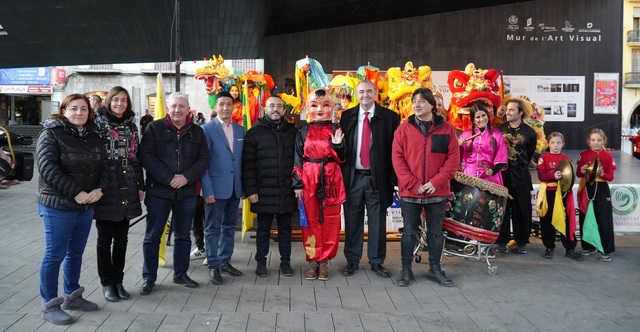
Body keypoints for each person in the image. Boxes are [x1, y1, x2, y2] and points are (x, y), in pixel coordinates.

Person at [36, 94, 109, 325]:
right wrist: (76, 193)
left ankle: (73, 296)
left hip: (86, 205)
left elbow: (105, 166)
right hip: (59, 205)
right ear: (64, 110)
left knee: (75, 253)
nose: (79, 113)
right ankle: (50, 305)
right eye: (74, 108)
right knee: (54, 254)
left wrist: (100, 189)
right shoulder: (51, 134)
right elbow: (48, 168)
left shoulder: (94, 136)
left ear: (90, 112)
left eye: (84, 109)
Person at [138, 92, 210, 295]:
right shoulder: (154, 128)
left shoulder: (197, 132)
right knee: (152, 236)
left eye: (181, 106)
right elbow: (146, 156)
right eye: (173, 106)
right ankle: (149, 277)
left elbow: (204, 159)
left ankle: (180, 274)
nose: (177, 110)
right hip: (159, 191)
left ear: (189, 109)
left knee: (183, 236)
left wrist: (186, 177)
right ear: (168, 108)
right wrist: (170, 178)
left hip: (186, 193)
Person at [392, 88, 459, 287]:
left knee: (435, 232)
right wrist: (414, 184)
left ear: (432, 105)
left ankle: (435, 269)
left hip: (436, 191)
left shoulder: (447, 129)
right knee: (409, 232)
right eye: (414, 101)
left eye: (421, 101)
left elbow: (453, 159)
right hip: (410, 191)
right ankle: (406, 270)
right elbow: (397, 159)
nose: (416, 104)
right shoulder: (403, 129)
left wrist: (435, 182)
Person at [340, 80, 400, 278]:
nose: (364, 95)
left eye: (368, 91)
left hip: (378, 179)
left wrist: (393, 179)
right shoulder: (347, 116)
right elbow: (342, 148)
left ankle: (376, 262)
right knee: (352, 221)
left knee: (377, 222)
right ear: (356, 94)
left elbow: (395, 151)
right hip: (353, 178)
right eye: (361, 92)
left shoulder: (390, 118)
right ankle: (352, 260)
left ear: (375, 93)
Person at [93, 86, 145, 302]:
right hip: (106, 183)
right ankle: (106, 282)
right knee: (105, 238)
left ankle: (118, 280)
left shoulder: (132, 125)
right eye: (116, 100)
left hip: (128, 183)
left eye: (124, 100)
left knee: (122, 238)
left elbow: (136, 157)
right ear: (109, 101)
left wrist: (140, 185)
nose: (119, 104)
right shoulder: (97, 123)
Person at [292, 88, 346, 281]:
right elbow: (297, 158)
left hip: (331, 177)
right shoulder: (303, 131)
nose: (320, 110)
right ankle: (313, 259)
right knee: (310, 219)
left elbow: (342, 158)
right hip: (308, 179)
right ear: (308, 108)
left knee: (331, 220)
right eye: (315, 106)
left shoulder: (336, 130)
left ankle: (325, 261)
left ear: (332, 108)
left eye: (325, 105)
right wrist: (297, 183)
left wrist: (339, 146)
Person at [242, 95, 297, 277]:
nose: (275, 109)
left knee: (285, 230)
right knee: (263, 229)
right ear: (265, 108)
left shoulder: (292, 132)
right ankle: (260, 263)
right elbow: (248, 165)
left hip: (286, 190)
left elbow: (298, 162)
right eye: (272, 105)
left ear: (283, 110)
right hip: (263, 191)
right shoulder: (254, 133)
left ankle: (286, 263)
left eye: (279, 106)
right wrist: (251, 190)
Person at [200, 91, 245, 285]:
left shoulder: (241, 130)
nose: (225, 108)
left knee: (229, 227)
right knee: (212, 229)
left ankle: (225, 260)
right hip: (215, 189)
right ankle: (213, 265)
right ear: (215, 107)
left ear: (233, 106)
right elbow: (203, 162)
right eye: (221, 104)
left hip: (235, 188)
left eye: (229, 104)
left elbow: (240, 160)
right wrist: (207, 190)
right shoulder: (206, 129)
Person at [495, 98, 537, 254]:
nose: (508, 112)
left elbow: (530, 152)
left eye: (512, 110)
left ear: (521, 112)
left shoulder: (529, 132)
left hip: (521, 176)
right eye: (507, 109)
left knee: (522, 210)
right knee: (502, 209)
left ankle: (521, 242)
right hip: (502, 176)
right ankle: (502, 241)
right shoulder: (499, 129)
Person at [536, 132, 582, 261]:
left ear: (563, 144)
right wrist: (553, 176)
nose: (555, 145)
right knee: (547, 220)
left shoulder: (567, 158)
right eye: (553, 143)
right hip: (549, 193)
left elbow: (571, 176)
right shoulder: (543, 158)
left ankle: (570, 248)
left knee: (566, 219)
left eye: (558, 143)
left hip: (563, 193)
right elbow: (541, 176)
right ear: (548, 144)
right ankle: (549, 247)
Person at [576, 128, 616, 261]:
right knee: (585, 217)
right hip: (587, 187)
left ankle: (606, 249)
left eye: (599, 140)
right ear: (588, 141)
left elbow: (610, 177)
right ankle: (587, 246)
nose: (596, 143)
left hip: (602, 188)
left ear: (604, 140)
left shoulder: (608, 157)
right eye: (593, 140)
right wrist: (582, 171)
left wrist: (601, 174)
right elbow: (578, 174)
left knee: (604, 218)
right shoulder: (584, 155)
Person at [457, 104, 508, 185]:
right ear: (473, 120)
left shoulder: (497, 135)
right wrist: (458, 146)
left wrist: (493, 170)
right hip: (469, 177)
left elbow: (502, 157)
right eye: (478, 117)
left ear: (488, 116)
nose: (482, 119)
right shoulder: (465, 134)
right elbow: (457, 157)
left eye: (484, 115)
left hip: (490, 178)